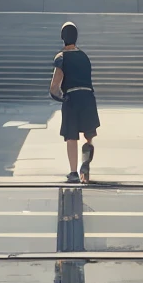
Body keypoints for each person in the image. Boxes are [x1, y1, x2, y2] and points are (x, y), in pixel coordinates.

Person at [49, 20, 99, 183]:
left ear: (63, 38)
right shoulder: (85, 57)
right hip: (88, 98)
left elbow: (54, 86)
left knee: (71, 137)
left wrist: (60, 97)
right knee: (88, 135)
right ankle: (85, 163)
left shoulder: (61, 57)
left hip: (72, 98)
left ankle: (73, 173)